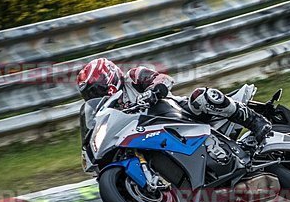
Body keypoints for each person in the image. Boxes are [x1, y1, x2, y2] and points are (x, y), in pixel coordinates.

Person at [76, 57, 272, 147]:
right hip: (154, 138)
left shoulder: (133, 77)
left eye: (96, 88)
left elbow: (164, 79)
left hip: (181, 114)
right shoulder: (110, 111)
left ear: (108, 77)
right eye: (90, 94)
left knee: (201, 97)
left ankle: (255, 121)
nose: (95, 95)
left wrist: (153, 92)